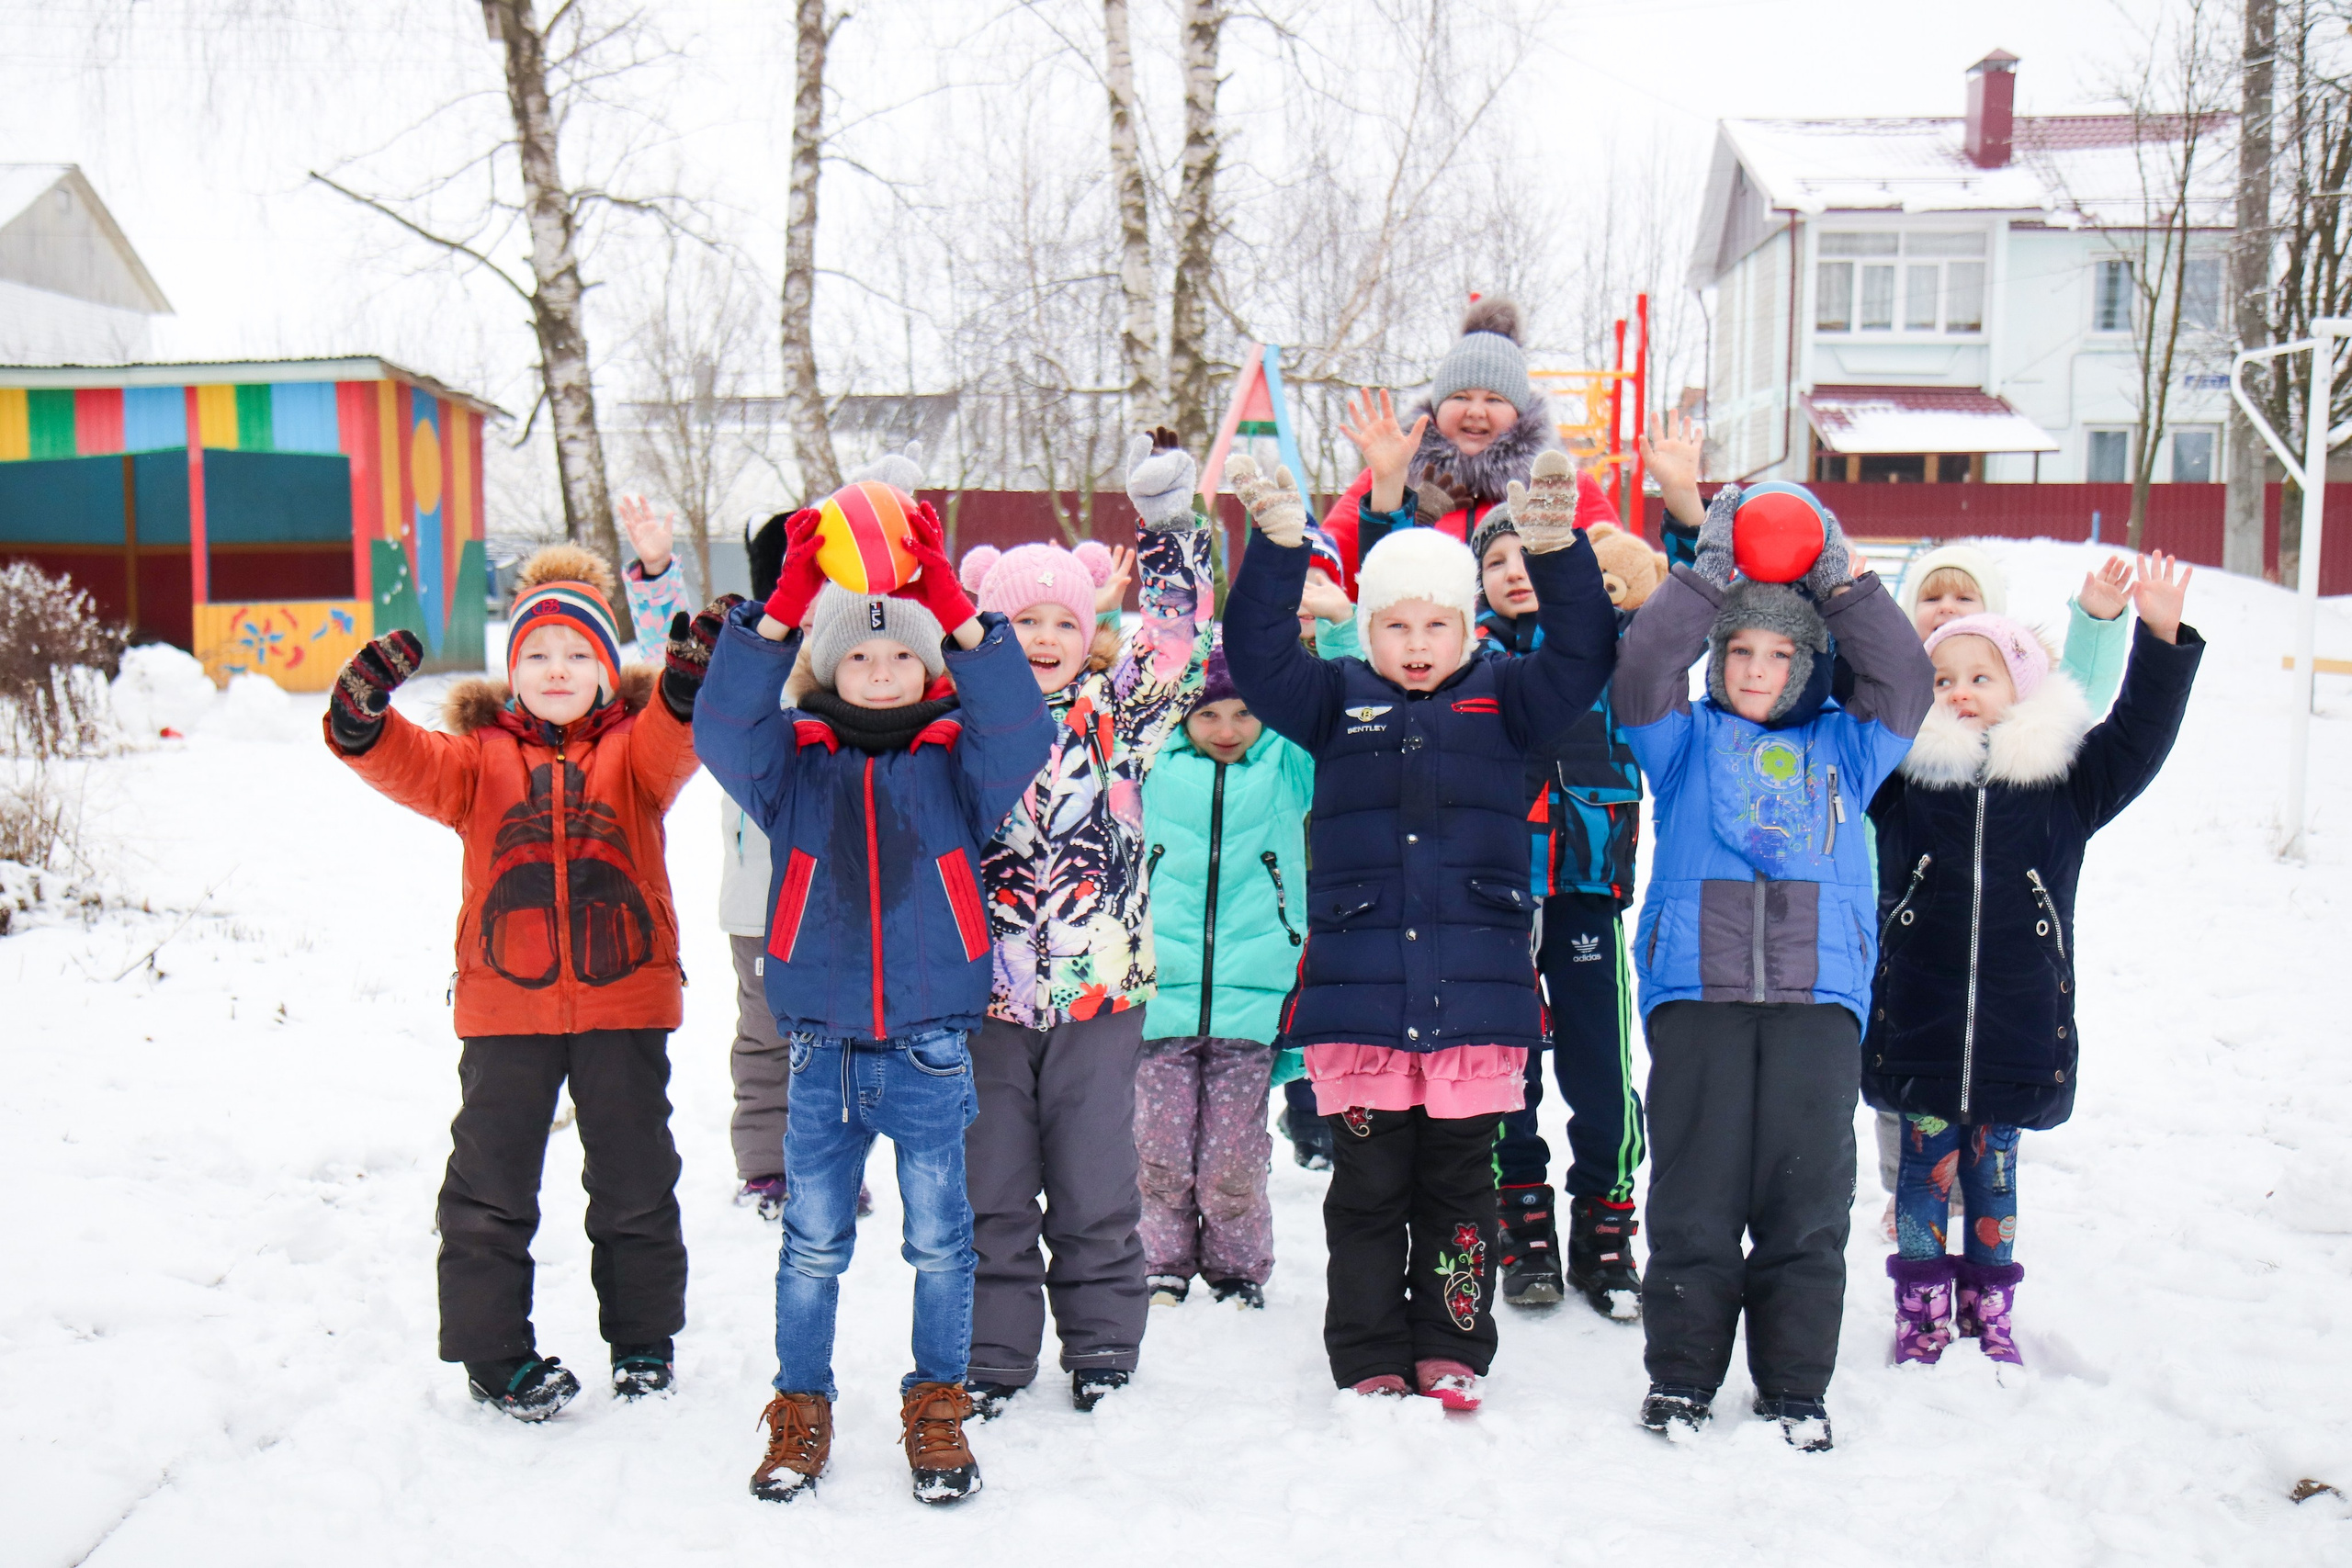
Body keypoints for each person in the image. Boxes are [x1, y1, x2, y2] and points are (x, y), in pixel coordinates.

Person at [1220, 442, 1617, 1411]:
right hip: (1361, 1003)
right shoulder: (1334, 701)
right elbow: (1259, 657)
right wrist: (1276, 551)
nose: (1416, 642)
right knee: (1364, 1196)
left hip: (1472, 1001)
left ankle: (1451, 1344)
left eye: (1436, 623)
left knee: (1459, 1195)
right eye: (1394, 625)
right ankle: (1366, 1354)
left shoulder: (1506, 702)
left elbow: (1582, 653)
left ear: (1466, 626)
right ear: (1367, 630)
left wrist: (1556, 550)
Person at [696, 501, 1053, 1505]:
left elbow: (1021, 721)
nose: (883, 671)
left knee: (941, 1241)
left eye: (902, 656)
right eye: (861, 657)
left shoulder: (960, 762)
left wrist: (954, 604)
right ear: (829, 667)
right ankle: (800, 1410)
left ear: (929, 667)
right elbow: (722, 721)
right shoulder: (789, 763)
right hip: (820, 1050)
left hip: (932, 1046)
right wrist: (782, 612)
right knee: (811, 1245)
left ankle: (936, 1408)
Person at [322, 545, 715, 1421]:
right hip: (506, 1008)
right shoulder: (478, 759)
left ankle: (644, 1342)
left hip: (623, 1004)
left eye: (579, 654)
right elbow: (406, 760)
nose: (557, 669)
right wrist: (361, 718)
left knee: (635, 1177)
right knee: (491, 1181)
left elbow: (674, 736)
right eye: (537, 654)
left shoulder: (633, 754)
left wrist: (687, 685)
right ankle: (494, 1351)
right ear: (513, 670)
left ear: (609, 670)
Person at [1611, 482, 1934, 1451]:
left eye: (1779, 652)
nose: (1755, 669)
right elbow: (1640, 673)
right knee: (1695, 1198)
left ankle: (1795, 1386)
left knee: (1805, 1203)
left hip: (1816, 1001)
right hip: (1699, 995)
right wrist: (1710, 577)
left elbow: (1906, 682)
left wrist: (1840, 578)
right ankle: (1681, 1381)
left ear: (1809, 662)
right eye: (1739, 650)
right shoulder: (1682, 742)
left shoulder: (1851, 745)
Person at [1868, 558, 2200, 1369]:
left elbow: (2140, 734)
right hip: (1922, 1016)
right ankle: (1919, 1312)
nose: (1960, 689)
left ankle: (1990, 1306)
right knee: (1922, 1172)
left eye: (1981, 674)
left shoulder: (2064, 783)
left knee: (1996, 1175)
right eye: (1942, 677)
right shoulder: (1904, 776)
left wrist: (2156, 636)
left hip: (2020, 1019)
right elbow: (1850, 706)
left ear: (2023, 686)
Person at [960, 431, 1214, 1418]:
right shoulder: (959, 727)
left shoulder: (1118, 716)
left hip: (1099, 992)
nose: (1043, 637)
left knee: (1096, 1181)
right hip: (983, 996)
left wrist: (1168, 531)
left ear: (1086, 628)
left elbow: (1176, 636)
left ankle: (1103, 1340)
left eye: (1062, 618)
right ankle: (992, 1353)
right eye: (1020, 621)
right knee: (992, 1188)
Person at [1465, 416, 1710, 1319]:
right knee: (1506, 1074)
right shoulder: (1468, 661)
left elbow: (1686, 600)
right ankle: (1520, 1224)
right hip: (1490, 899)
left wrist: (1682, 501)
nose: (1512, 573)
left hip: (1585, 893)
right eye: (1494, 563)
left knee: (1600, 1075)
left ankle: (1605, 1232)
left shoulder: (1612, 654)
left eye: (1528, 556)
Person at [618, 491, 885, 1222]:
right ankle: (769, 1165)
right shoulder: (747, 656)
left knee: (839, 1040)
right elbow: (672, 656)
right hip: (762, 897)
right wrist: (654, 572)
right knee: (769, 1036)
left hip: (843, 899)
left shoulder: (858, 657)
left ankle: (834, 1162)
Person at [1858, 541, 2138, 1231]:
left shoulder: (2029, 732)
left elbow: (2083, 691)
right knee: (1908, 1066)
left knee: (1975, 1056)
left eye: (1964, 601)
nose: (1946, 610)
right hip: (1893, 909)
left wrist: (2099, 620)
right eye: (1930, 599)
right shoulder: (1897, 717)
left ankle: (1969, 1203)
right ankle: (1909, 1186)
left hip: (1993, 924)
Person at [1134, 642, 1314, 1310]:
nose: (1228, 730)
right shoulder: (1149, 766)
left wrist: (1333, 629)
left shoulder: (1288, 768)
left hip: (1253, 1001)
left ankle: (1237, 1269)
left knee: (1233, 1160)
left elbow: (1340, 708)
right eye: (1208, 714)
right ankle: (1160, 1261)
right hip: (1160, 999)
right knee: (1159, 1152)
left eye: (1244, 713)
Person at [1318, 298, 1619, 592]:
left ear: (1520, 414)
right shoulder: (1392, 476)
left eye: (1494, 400)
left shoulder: (1563, 489)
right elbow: (1330, 558)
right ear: (1436, 409)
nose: (1475, 411)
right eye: (1460, 397)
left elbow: (1621, 571)